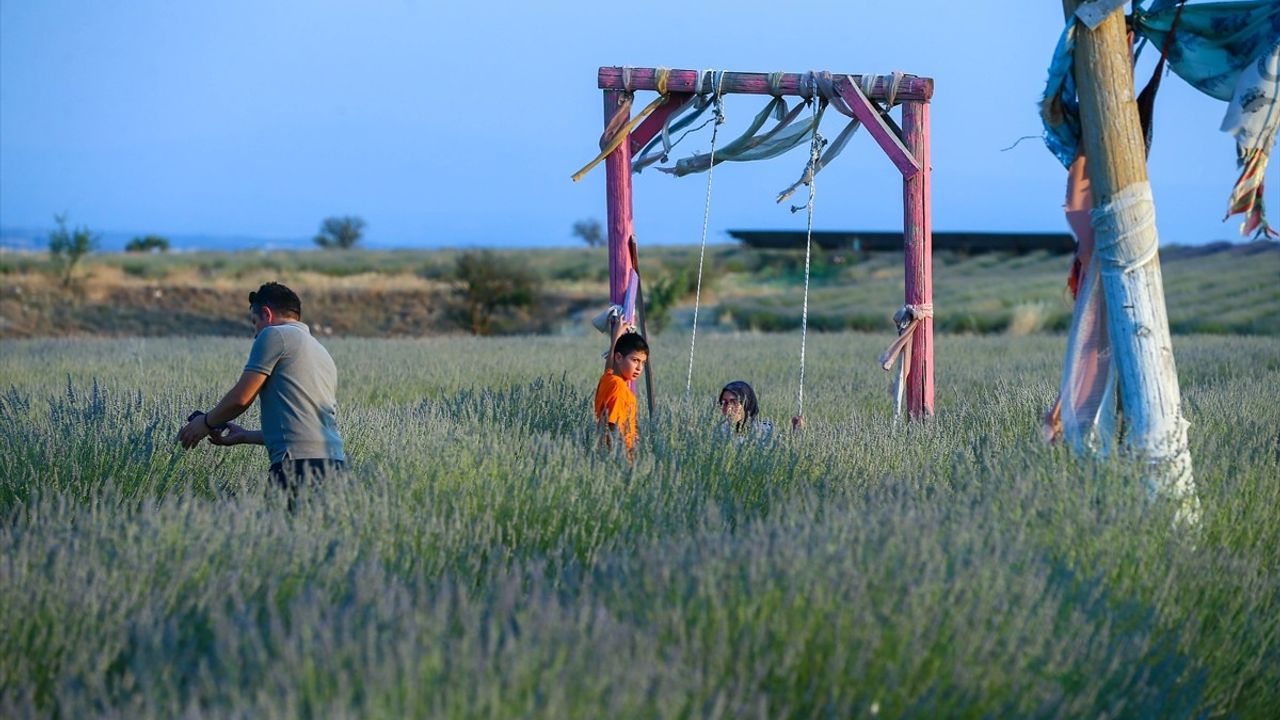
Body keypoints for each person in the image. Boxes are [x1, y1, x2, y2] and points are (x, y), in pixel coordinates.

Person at [177, 282, 346, 493]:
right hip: (334, 464)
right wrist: (245, 436)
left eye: (255, 322)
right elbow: (302, 426)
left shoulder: (275, 335)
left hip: (297, 465)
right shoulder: (320, 351)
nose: (255, 334)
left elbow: (241, 398)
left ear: (267, 314)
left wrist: (206, 422)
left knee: (279, 525)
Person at [594, 315, 648, 457]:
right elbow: (612, 426)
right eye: (635, 360)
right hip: (620, 455)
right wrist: (620, 459)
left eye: (643, 363)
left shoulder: (609, 379)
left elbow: (609, 367)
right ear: (619, 357)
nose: (639, 368)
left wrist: (616, 338)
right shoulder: (618, 387)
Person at [718, 380, 804, 441]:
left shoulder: (766, 431)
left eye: (734, 402)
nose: (728, 408)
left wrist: (795, 430)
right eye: (724, 403)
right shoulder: (716, 434)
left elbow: (786, 450)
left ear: (747, 404)